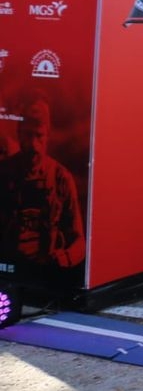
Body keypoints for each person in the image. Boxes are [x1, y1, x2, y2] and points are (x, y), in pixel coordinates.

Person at [0, 94, 85, 278]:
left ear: (47, 136)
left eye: (39, 135)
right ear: (19, 133)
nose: (33, 144)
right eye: (28, 134)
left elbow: (79, 242)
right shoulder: (4, 173)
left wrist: (62, 259)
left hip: (46, 273)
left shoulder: (61, 178)